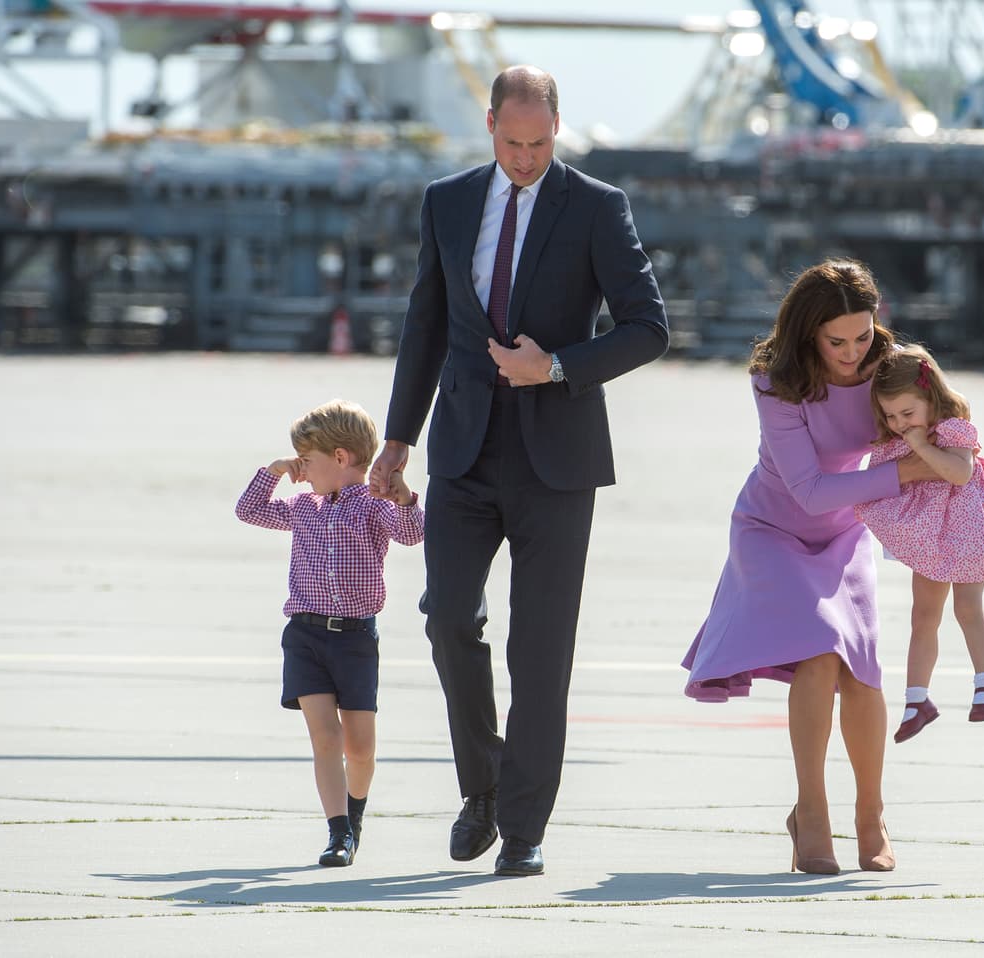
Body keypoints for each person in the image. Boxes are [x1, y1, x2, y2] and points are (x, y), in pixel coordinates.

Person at [369, 65, 669, 877]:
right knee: (447, 619)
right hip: (463, 451)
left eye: (541, 144)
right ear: (490, 124)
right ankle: (485, 786)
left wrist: (561, 365)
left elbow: (649, 328)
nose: (528, 158)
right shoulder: (448, 200)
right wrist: (397, 439)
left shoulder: (598, 206)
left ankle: (526, 827)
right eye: (513, 142)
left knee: (540, 652)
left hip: (557, 458)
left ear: (557, 127)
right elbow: (424, 325)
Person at [682, 257, 939, 874]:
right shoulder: (775, 378)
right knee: (820, 656)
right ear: (807, 335)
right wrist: (906, 470)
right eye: (836, 341)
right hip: (773, 528)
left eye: (863, 335)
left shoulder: (893, 365)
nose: (853, 352)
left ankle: (871, 816)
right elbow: (810, 490)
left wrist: (960, 469)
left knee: (862, 673)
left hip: (849, 529)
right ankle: (813, 814)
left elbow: (949, 423)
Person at [236, 398, 424, 867]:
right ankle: (337, 832)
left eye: (307, 461)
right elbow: (249, 510)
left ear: (340, 458)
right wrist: (276, 470)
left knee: (359, 747)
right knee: (326, 739)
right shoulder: (303, 506)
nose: (303, 470)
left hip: (355, 639)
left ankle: (354, 817)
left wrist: (403, 497)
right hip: (304, 637)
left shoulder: (374, 506)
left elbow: (413, 533)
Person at [854, 345, 984, 743]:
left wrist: (922, 446)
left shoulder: (952, 427)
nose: (900, 423)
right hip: (931, 534)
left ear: (930, 397)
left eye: (907, 413)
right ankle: (916, 700)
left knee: (968, 609)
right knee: (923, 616)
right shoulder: (897, 434)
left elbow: (958, 473)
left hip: (968, 527)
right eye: (890, 415)